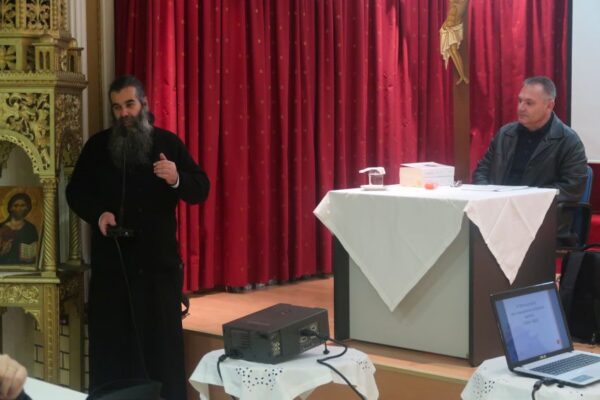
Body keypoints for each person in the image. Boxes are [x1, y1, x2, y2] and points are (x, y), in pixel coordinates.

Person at [66, 75, 210, 400]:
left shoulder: (168, 143)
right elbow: (75, 192)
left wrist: (176, 178)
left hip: (158, 271)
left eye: (129, 105)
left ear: (144, 104)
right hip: (113, 271)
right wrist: (98, 215)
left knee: (161, 352)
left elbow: (201, 188)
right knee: (113, 351)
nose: (124, 114)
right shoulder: (97, 147)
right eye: (117, 108)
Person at [473, 76, 588, 235]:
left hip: (540, 222)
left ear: (549, 105)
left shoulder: (568, 141)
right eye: (520, 101)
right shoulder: (505, 134)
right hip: (496, 213)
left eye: (529, 103)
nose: (521, 108)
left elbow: (572, 188)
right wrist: (487, 197)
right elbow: (481, 171)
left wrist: (524, 201)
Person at [0, 193, 39, 265]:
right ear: (10, 208)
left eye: (22, 205)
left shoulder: (30, 228)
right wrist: (3, 252)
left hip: (24, 267)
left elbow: (35, 251)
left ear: (27, 208)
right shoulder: (1, 227)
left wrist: (32, 255)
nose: (19, 208)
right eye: (16, 205)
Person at [440, 0, 469, 85]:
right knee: (451, 51)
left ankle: (463, 75)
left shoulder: (463, 2)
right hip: (447, 28)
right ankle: (462, 75)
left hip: (455, 28)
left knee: (454, 51)